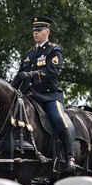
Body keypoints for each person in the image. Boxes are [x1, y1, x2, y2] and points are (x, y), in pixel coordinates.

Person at [11, 16, 75, 168]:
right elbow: (20, 76)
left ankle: (69, 156)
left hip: (48, 96)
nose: (35, 33)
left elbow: (52, 71)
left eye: (39, 30)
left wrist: (31, 75)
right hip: (29, 96)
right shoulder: (29, 54)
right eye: (34, 30)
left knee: (59, 120)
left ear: (47, 32)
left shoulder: (54, 50)